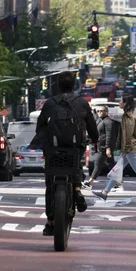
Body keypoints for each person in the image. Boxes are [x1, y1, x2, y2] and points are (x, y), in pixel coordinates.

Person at [36, 71, 99, 237]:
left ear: (57, 86)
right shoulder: (82, 103)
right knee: (76, 164)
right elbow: (92, 128)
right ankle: (77, 189)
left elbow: (40, 127)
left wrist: (45, 144)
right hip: (75, 147)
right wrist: (95, 140)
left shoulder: (50, 103)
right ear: (74, 85)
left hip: (53, 149)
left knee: (50, 182)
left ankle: (50, 221)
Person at [93, 93, 136, 202]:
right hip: (129, 149)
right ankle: (105, 192)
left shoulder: (128, 117)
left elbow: (128, 135)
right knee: (117, 169)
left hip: (130, 149)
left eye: (121, 101)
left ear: (125, 103)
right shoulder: (128, 115)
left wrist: (125, 149)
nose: (119, 103)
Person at [83, 106, 119, 189]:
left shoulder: (109, 122)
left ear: (106, 112)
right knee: (111, 164)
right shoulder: (99, 120)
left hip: (104, 147)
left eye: (102, 111)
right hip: (99, 146)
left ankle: (90, 182)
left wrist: (108, 148)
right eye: (99, 111)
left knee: (97, 163)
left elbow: (109, 136)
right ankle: (117, 182)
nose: (100, 112)